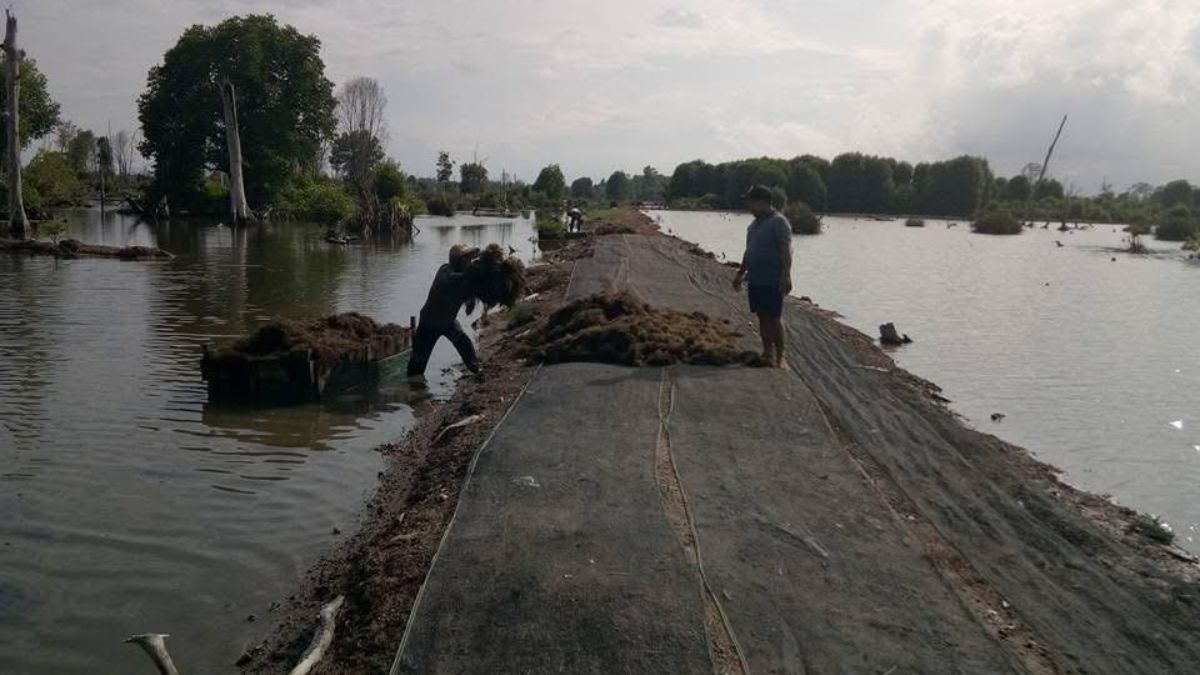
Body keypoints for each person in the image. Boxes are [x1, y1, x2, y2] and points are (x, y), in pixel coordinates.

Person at [732, 185, 792, 368]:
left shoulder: (779, 222)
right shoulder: (753, 226)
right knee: (762, 316)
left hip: (772, 278)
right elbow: (749, 252)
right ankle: (767, 353)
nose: (749, 207)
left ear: (762, 203)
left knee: (774, 317)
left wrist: (786, 276)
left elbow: (785, 251)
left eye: (751, 203)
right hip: (756, 278)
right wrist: (740, 274)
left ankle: (780, 357)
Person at [407, 244, 482, 380]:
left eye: (470, 259)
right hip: (429, 324)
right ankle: (415, 389)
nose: (469, 262)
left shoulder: (464, 278)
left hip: (448, 321)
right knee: (418, 362)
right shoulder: (445, 273)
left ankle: (476, 370)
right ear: (457, 261)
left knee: (464, 343)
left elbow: (469, 288)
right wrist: (473, 274)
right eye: (466, 259)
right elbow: (457, 280)